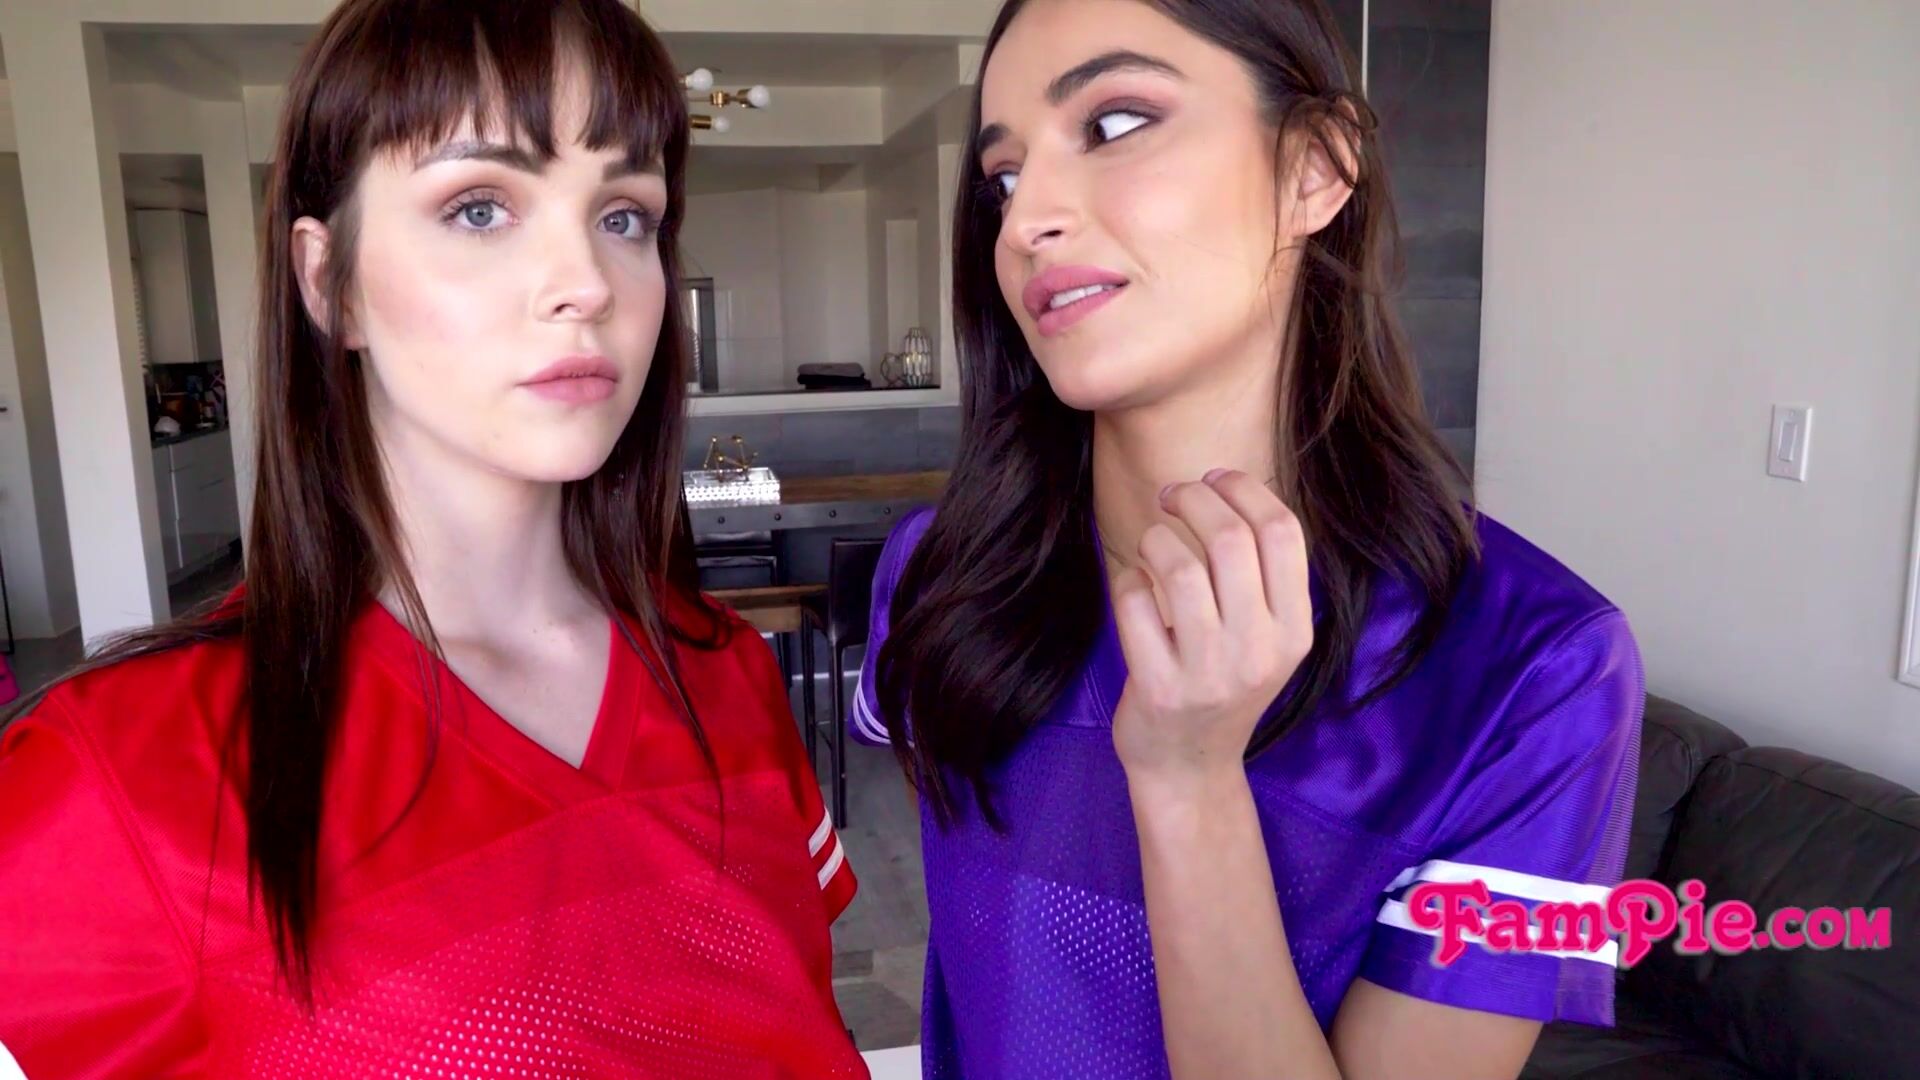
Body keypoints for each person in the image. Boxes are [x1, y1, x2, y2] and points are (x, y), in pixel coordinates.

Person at [0, 2, 863, 1076]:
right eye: (479, 207)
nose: (587, 284)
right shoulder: (119, 778)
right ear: (330, 283)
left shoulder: (723, 673)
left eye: (625, 215)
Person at [852, 1, 1644, 1077]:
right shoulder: (940, 576)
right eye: (1003, 176)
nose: (1026, 216)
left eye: (1115, 123)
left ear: (1316, 167)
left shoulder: (1542, 670)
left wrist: (1188, 781)